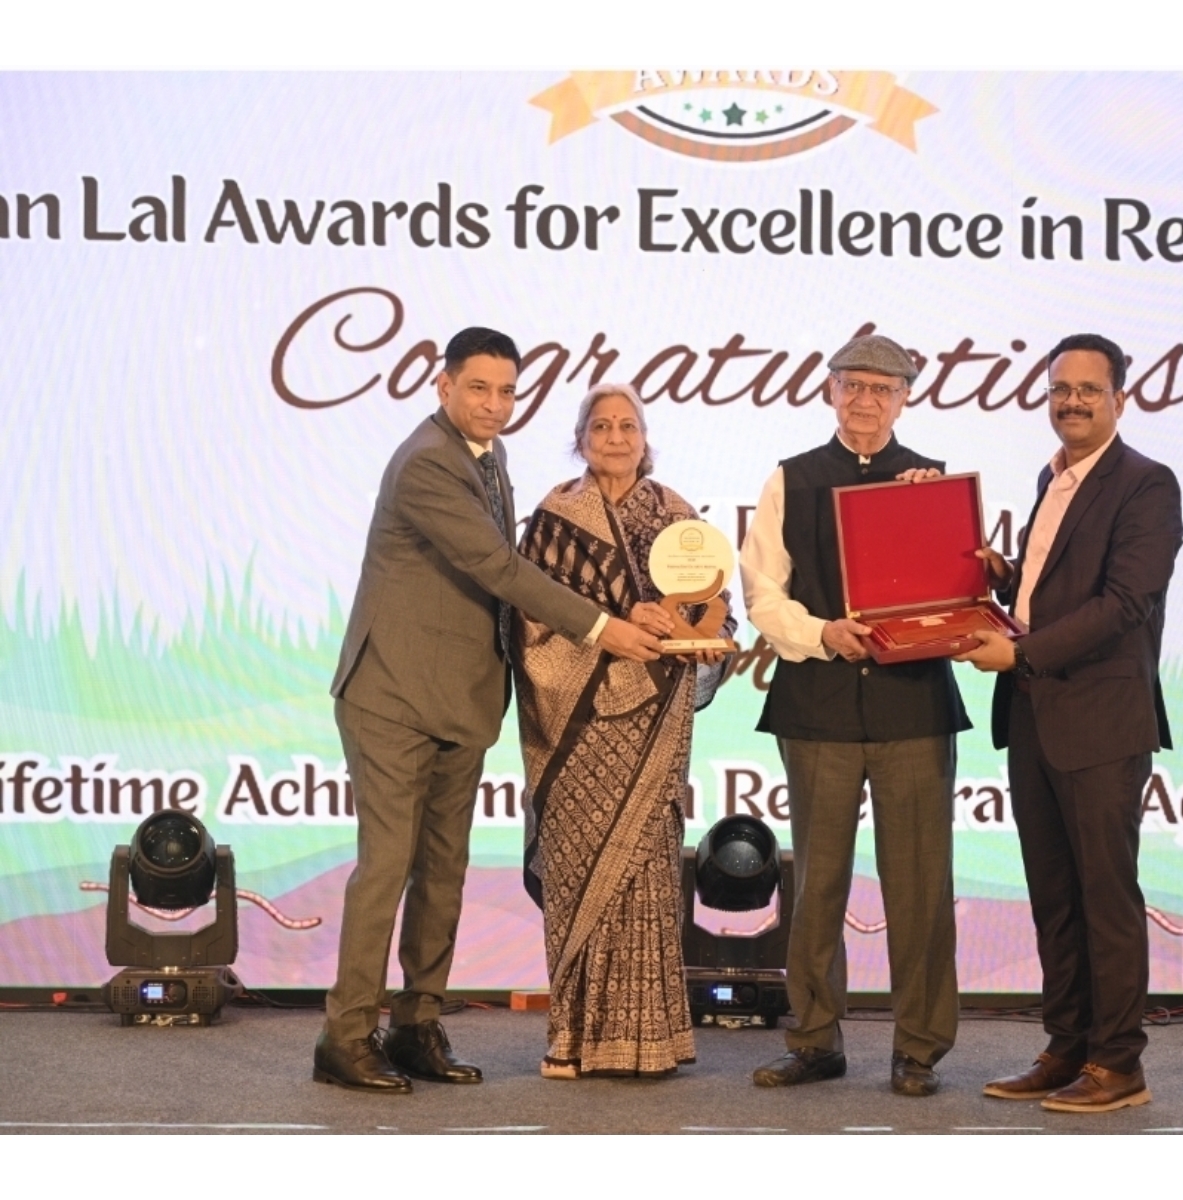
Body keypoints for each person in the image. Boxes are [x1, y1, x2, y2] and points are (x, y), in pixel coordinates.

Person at [314, 328, 662, 1094]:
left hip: (460, 699)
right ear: (443, 386)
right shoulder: (427, 464)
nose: (495, 405)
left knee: (444, 871)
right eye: (479, 388)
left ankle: (415, 1024)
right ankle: (345, 1037)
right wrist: (606, 628)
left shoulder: (490, 457)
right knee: (386, 870)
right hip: (392, 697)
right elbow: (499, 567)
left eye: (507, 391)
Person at [955, 332, 1183, 1114]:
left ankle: (1119, 1065)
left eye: (1089, 388)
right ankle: (1068, 1047)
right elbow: (1057, 590)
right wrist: (1006, 577)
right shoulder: (1052, 479)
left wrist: (1018, 657)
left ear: (1121, 397)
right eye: (1060, 389)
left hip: (1100, 723)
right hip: (1036, 720)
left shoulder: (1148, 485)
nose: (1072, 401)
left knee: (1105, 898)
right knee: (1055, 895)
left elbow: (1124, 604)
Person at [739, 333, 965, 1097]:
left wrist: (938, 527)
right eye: (853, 385)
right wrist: (821, 634)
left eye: (883, 388)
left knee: (920, 885)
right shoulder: (790, 479)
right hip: (818, 703)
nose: (866, 400)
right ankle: (812, 1039)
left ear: (905, 399)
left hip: (915, 706)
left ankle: (920, 1049)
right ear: (828, 390)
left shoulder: (932, 484)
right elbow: (763, 595)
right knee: (817, 885)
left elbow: (961, 597)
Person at [512, 382, 735, 1080]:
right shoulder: (555, 515)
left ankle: (649, 1042)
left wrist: (694, 633)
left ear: (645, 439)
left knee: (646, 877)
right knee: (583, 875)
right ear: (580, 440)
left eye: (628, 426)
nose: (615, 437)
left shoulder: (677, 518)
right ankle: (573, 1037)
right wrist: (613, 632)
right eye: (601, 426)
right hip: (579, 727)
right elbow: (530, 622)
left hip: (655, 722)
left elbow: (717, 612)